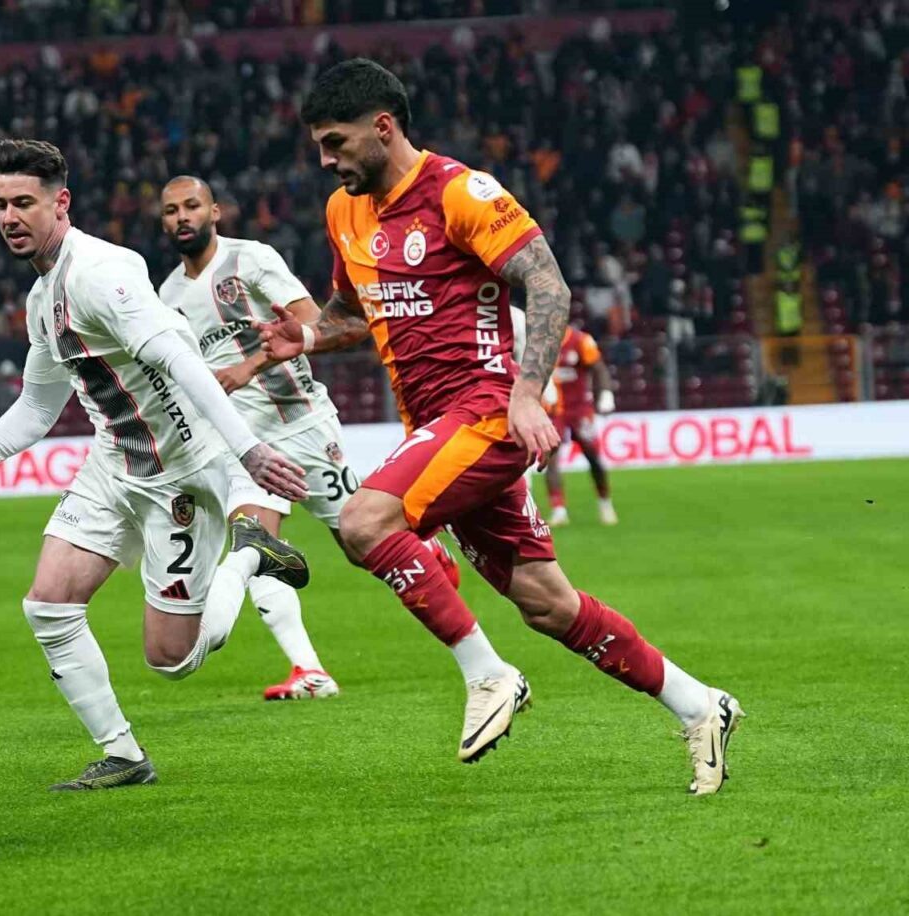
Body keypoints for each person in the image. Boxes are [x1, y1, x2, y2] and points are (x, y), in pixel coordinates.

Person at [258, 59, 742, 795]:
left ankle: (488, 674)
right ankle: (700, 705)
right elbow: (353, 312)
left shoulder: (460, 191)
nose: (325, 159)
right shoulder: (343, 212)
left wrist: (526, 393)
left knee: (362, 521)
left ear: (382, 127)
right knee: (549, 605)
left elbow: (547, 281)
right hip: (437, 428)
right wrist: (306, 338)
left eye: (335, 142)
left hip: (484, 409)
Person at [0, 139, 310, 791]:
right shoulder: (42, 298)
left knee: (171, 660)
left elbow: (180, 360)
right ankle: (123, 755)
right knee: (48, 606)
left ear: (61, 203)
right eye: (0, 204)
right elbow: (39, 403)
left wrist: (248, 451)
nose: (9, 217)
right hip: (114, 464)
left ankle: (250, 556)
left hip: (181, 473)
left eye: (24, 202)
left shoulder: (101, 273)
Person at [158, 176, 342, 701]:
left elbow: (313, 321)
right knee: (256, 545)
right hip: (245, 445)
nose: (182, 217)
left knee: (364, 539)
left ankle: (423, 549)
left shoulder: (251, 259)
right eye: (171, 210)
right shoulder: (167, 296)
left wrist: (249, 366)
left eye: (192, 206)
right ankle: (310, 671)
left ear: (215, 211)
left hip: (302, 423)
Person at [544, 325, 618, 526]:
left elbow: (599, 368)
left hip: (580, 411)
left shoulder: (580, 340)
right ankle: (559, 510)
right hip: (553, 411)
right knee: (551, 458)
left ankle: (605, 503)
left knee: (593, 457)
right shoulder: (540, 342)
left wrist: (605, 393)